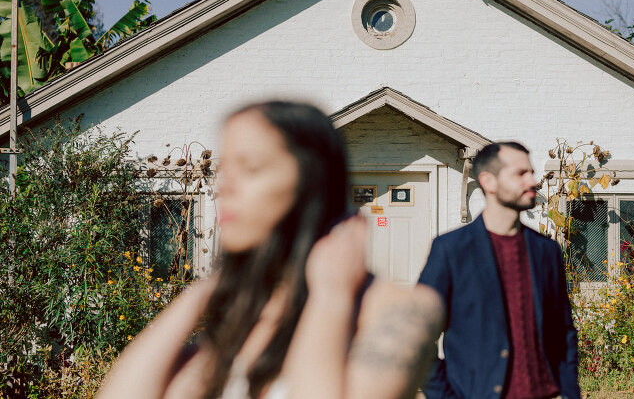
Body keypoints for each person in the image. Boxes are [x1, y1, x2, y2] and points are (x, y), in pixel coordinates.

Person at [98, 101, 443, 399]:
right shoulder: (242, 315)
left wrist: (331, 297)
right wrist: (203, 291)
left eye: (250, 168)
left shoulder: (399, 310)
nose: (224, 186)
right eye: (224, 168)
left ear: (312, 185)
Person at [418, 142, 580, 399]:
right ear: (488, 182)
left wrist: (570, 392)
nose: (533, 181)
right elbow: (417, 335)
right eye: (520, 173)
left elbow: (564, 331)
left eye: (531, 172)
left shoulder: (546, 251)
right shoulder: (451, 251)